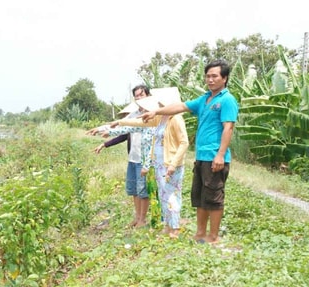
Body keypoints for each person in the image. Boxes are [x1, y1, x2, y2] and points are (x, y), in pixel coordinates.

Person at [141, 60, 238, 244]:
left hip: (215, 157)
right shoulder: (205, 99)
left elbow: (228, 128)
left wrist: (220, 155)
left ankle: (213, 236)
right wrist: (156, 111)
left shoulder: (227, 100)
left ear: (224, 78)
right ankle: (200, 233)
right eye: (208, 76)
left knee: (214, 197)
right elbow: (181, 107)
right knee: (200, 197)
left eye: (214, 76)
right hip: (201, 157)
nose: (210, 79)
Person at [110, 88, 189, 238]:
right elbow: (139, 122)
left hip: (170, 164)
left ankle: (175, 228)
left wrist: (173, 164)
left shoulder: (176, 119)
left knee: (172, 195)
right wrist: (119, 121)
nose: (158, 105)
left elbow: (184, 143)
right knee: (163, 194)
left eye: (160, 102)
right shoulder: (161, 118)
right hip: (159, 163)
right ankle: (168, 226)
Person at [88, 85, 151, 228]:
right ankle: (137, 217)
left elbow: (125, 126)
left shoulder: (152, 115)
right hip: (133, 157)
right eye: (136, 96)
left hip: (145, 159)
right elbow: (121, 130)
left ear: (148, 95)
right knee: (134, 189)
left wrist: (109, 131)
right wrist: (100, 131)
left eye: (141, 95)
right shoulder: (133, 114)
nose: (138, 98)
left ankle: (142, 219)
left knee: (143, 190)